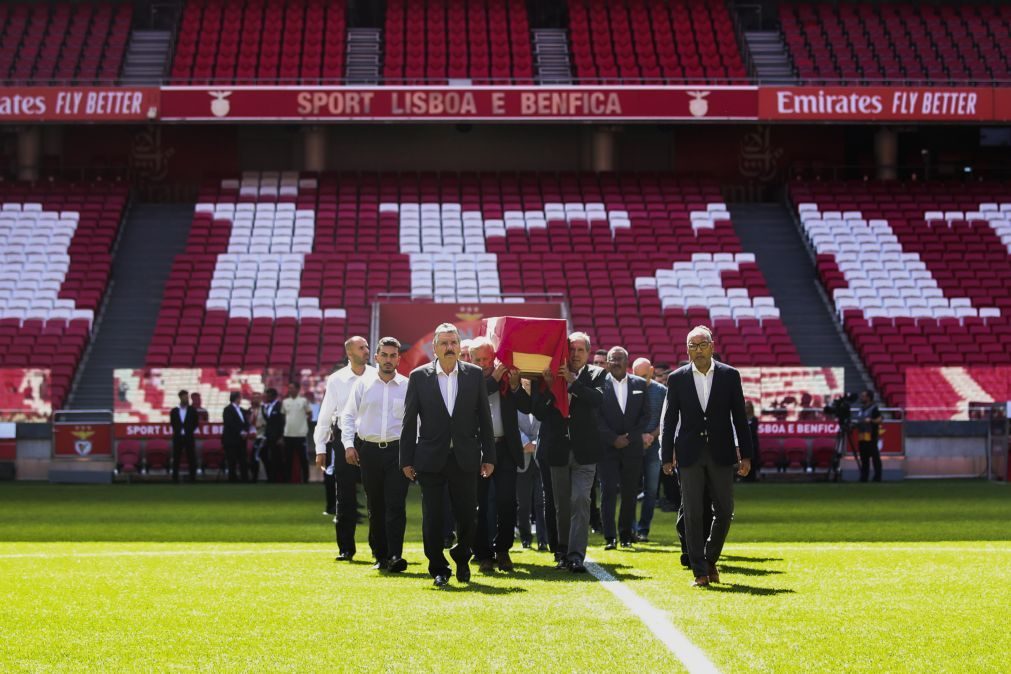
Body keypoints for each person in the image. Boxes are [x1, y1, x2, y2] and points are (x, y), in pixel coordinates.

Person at [400, 323, 496, 588]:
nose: (450, 347)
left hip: (465, 458)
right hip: (430, 458)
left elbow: (484, 419)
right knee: (433, 517)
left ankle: (462, 556)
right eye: (444, 343)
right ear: (435, 348)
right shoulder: (419, 377)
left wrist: (489, 455)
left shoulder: (474, 375)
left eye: (453, 342)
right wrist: (406, 459)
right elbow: (409, 421)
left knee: (468, 515)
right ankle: (438, 568)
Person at [661, 325, 752, 588]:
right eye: (692, 346)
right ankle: (700, 571)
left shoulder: (729, 375)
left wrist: (745, 455)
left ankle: (710, 558)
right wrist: (667, 456)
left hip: (722, 452)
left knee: (724, 510)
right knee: (691, 513)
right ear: (686, 349)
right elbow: (669, 420)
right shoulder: (677, 378)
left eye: (702, 345)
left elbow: (740, 418)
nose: (698, 350)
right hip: (689, 454)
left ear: (712, 346)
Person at [516, 331, 606, 573]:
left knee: (580, 499)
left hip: (585, 451)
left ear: (588, 353)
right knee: (560, 504)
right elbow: (539, 412)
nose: (575, 354)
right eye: (572, 350)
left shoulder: (597, 374)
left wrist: (574, 383)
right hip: (556, 450)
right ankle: (563, 551)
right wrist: (548, 387)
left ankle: (576, 555)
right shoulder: (548, 375)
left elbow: (598, 401)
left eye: (580, 350)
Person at [341, 337, 411, 573]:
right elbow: (348, 416)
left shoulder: (408, 385)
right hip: (368, 451)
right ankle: (380, 555)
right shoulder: (362, 385)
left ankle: (395, 555)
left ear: (399, 359)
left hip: (397, 451)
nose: (389, 360)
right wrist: (348, 444)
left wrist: (414, 453)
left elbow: (417, 422)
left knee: (395, 505)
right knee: (375, 506)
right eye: (385, 355)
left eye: (393, 356)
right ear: (376, 357)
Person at [314, 337, 375, 560]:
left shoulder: (377, 376)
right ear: (349, 352)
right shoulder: (336, 380)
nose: (366, 350)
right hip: (342, 440)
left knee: (376, 496)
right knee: (344, 495)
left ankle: (379, 548)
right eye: (361, 348)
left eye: (367, 347)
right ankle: (346, 548)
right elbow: (326, 413)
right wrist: (320, 446)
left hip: (371, 439)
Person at [470, 337, 524, 573]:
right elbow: (476, 396)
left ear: (494, 358)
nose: (482, 363)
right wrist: (493, 379)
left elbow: (527, 406)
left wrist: (514, 386)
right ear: (470, 360)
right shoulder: (467, 379)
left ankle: (502, 549)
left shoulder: (505, 378)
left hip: (505, 449)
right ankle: (482, 554)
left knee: (507, 502)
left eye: (486, 358)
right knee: (478, 504)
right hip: (478, 449)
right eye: (477, 359)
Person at [597, 347, 651, 549]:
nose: (616, 362)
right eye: (612, 359)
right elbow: (596, 417)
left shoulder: (639, 384)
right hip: (607, 449)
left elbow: (646, 415)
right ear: (608, 362)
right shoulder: (599, 385)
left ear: (627, 361)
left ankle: (626, 535)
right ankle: (610, 537)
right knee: (608, 492)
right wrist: (613, 438)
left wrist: (629, 437)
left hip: (632, 448)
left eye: (620, 359)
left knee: (629, 493)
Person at [632, 357, 667, 542]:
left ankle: (643, 529)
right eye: (637, 376)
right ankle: (630, 529)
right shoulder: (629, 388)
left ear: (652, 371)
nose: (640, 380)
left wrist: (651, 436)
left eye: (644, 376)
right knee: (629, 487)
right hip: (632, 445)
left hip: (654, 446)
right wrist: (639, 436)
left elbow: (666, 420)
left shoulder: (661, 391)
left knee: (651, 490)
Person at [515, 384, 547, 551]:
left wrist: (536, 444)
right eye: (525, 384)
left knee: (541, 502)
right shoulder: (516, 402)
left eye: (530, 384)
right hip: (523, 460)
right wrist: (525, 442)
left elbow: (547, 423)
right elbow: (512, 425)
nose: (528, 387)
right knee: (524, 503)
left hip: (541, 459)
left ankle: (543, 539)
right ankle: (526, 537)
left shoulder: (540, 402)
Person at [281, 382, 312, 483]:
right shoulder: (285, 402)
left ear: (298, 389)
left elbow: (309, 414)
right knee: (288, 459)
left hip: (300, 434)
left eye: (292, 388)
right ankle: (287, 480)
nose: (290, 390)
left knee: (303, 459)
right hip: (288, 434)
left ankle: (306, 479)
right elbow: (283, 416)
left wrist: (303, 425)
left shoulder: (303, 401)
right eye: (289, 388)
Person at [170, 389, 198, 483]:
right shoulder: (174, 411)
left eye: (187, 397)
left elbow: (195, 423)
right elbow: (172, 423)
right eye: (185, 397)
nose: (187, 399)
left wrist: (188, 430)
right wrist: (179, 430)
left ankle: (193, 478)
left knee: (191, 457)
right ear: (180, 398)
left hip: (189, 437)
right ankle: (175, 478)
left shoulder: (192, 410)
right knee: (176, 457)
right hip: (178, 437)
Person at [854, 389, 882, 482]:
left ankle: (877, 477)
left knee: (875, 457)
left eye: (863, 396)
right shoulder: (861, 409)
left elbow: (880, 419)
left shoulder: (874, 408)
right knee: (864, 458)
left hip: (871, 436)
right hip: (862, 436)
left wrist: (871, 420)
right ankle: (864, 477)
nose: (861, 398)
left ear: (868, 398)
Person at [222, 391, 249, 482]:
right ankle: (232, 478)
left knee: (243, 460)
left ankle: (244, 478)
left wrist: (246, 431)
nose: (241, 399)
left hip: (241, 440)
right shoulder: (228, 409)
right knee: (232, 460)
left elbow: (246, 422)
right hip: (231, 440)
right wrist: (240, 431)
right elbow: (229, 423)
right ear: (236, 398)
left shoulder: (241, 410)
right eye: (240, 397)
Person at [261, 388, 285, 482]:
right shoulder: (265, 407)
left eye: (267, 396)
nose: (266, 397)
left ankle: (279, 479)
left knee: (277, 458)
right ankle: (271, 477)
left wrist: (281, 437)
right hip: (268, 437)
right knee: (266, 456)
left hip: (277, 437)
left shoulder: (280, 406)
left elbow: (283, 422)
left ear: (273, 396)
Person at [248, 392, 265, 482]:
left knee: (259, 457)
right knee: (252, 457)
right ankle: (253, 477)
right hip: (250, 438)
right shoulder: (248, 411)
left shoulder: (263, 410)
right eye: (254, 398)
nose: (255, 400)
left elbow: (267, 422)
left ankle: (263, 477)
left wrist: (261, 425)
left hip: (261, 437)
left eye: (257, 398)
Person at [743, 401, 761, 482]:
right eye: (745, 407)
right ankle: (745, 477)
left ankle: (753, 478)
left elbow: (753, 430)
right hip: (744, 443)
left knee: (753, 461)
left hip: (753, 443)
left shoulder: (754, 419)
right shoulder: (742, 418)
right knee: (745, 460)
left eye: (748, 407)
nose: (746, 409)